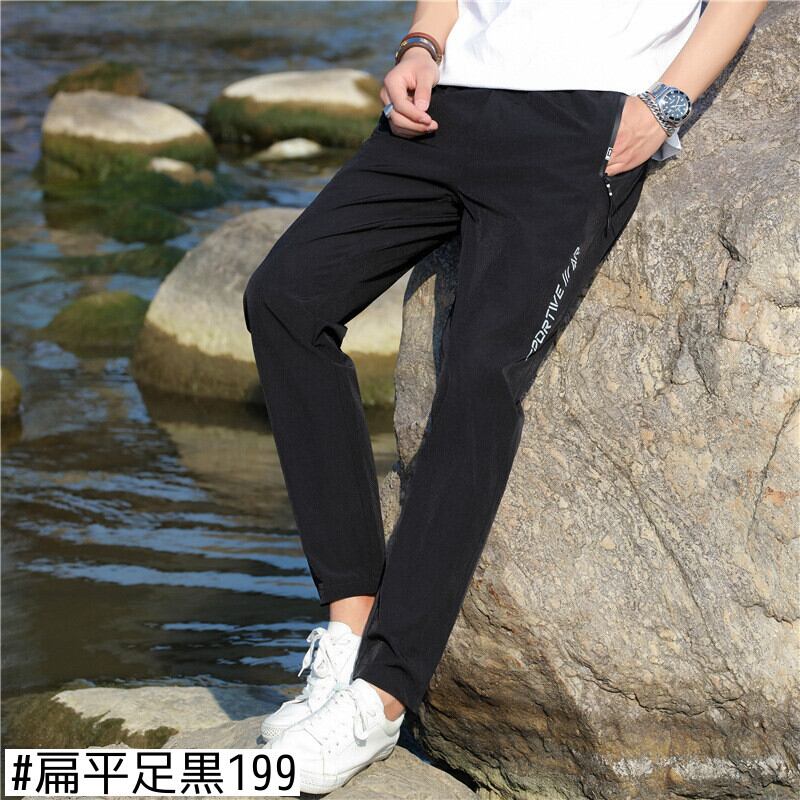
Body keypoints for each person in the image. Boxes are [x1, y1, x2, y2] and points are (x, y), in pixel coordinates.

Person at [243, 0, 768, 793]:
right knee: (285, 300)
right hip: (447, 103)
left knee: (481, 376)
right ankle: (349, 630)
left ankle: (383, 696)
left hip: (582, 120)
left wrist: (664, 104)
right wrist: (423, 44)